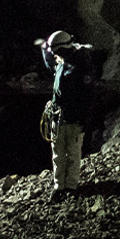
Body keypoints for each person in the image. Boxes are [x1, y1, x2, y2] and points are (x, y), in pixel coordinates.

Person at [39, 30, 98, 198]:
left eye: (56, 51)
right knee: (58, 153)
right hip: (59, 117)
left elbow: (89, 96)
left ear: (64, 49)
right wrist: (43, 46)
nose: (54, 55)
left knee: (72, 152)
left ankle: (71, 186)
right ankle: (59, 186)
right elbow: (50, 60)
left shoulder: (81, 67)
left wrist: (85, 119)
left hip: (73, 118)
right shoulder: (62, 62)